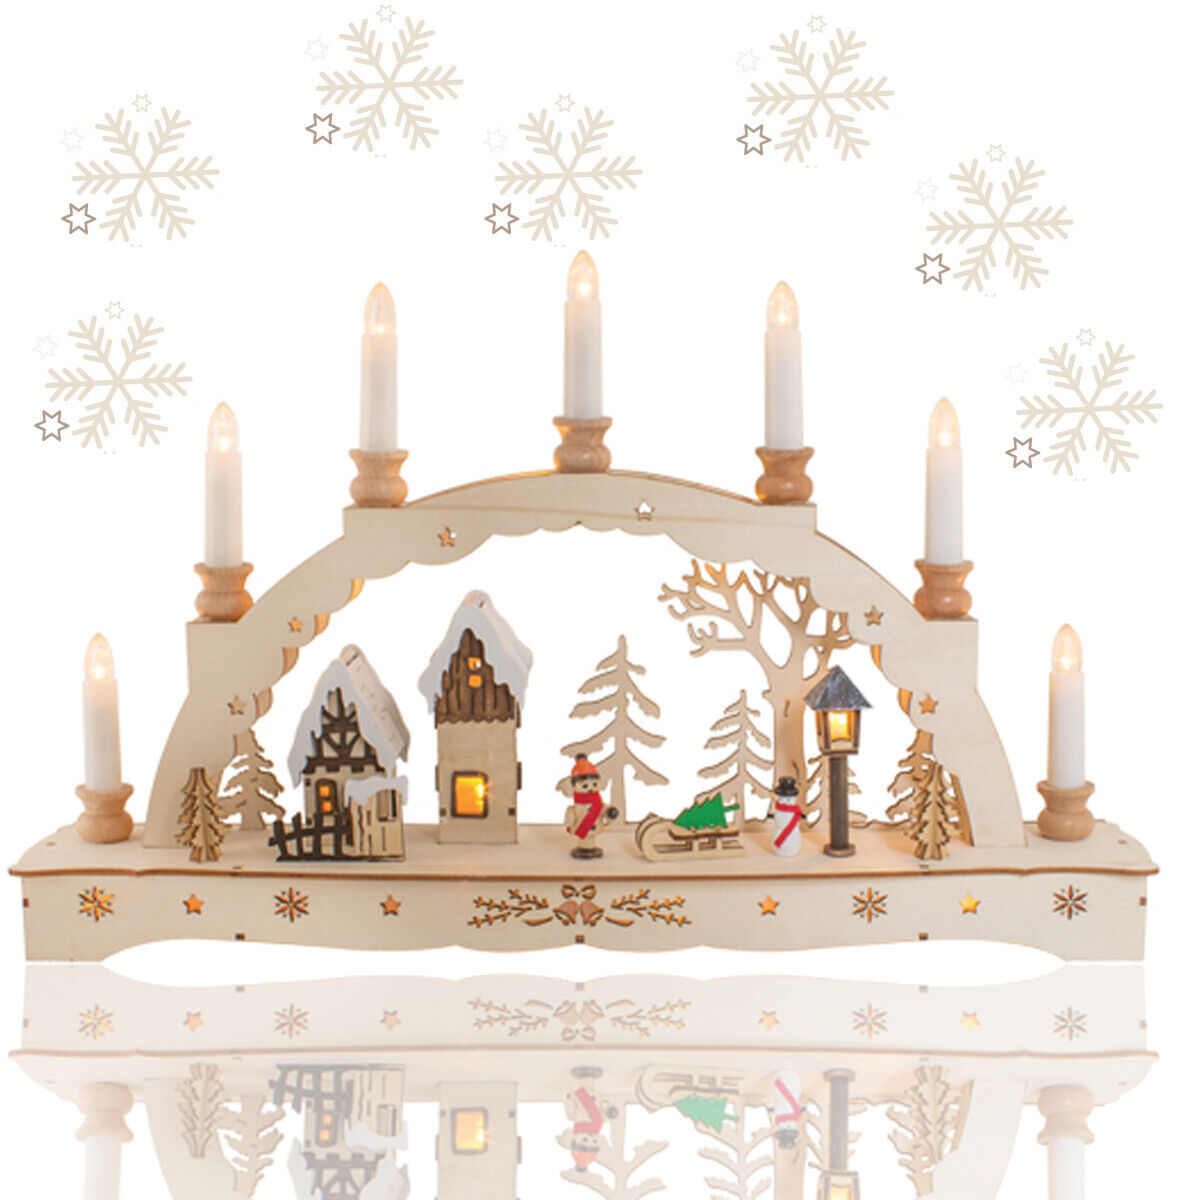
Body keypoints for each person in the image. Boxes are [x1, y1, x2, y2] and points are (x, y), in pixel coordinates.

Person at [565, 754, 608, 859]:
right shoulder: (578, 804)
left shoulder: (598, 802)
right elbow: (571, 813)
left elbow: (603, 809)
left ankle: (590, 847)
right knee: (585, 836)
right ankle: (583, 848)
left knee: (591, 835)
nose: (590, 788)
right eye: (585, 785)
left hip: (594, 826)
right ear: (574, 785)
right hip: (580, 825)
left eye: (594, 784)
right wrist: (569, 819)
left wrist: (609, 812)